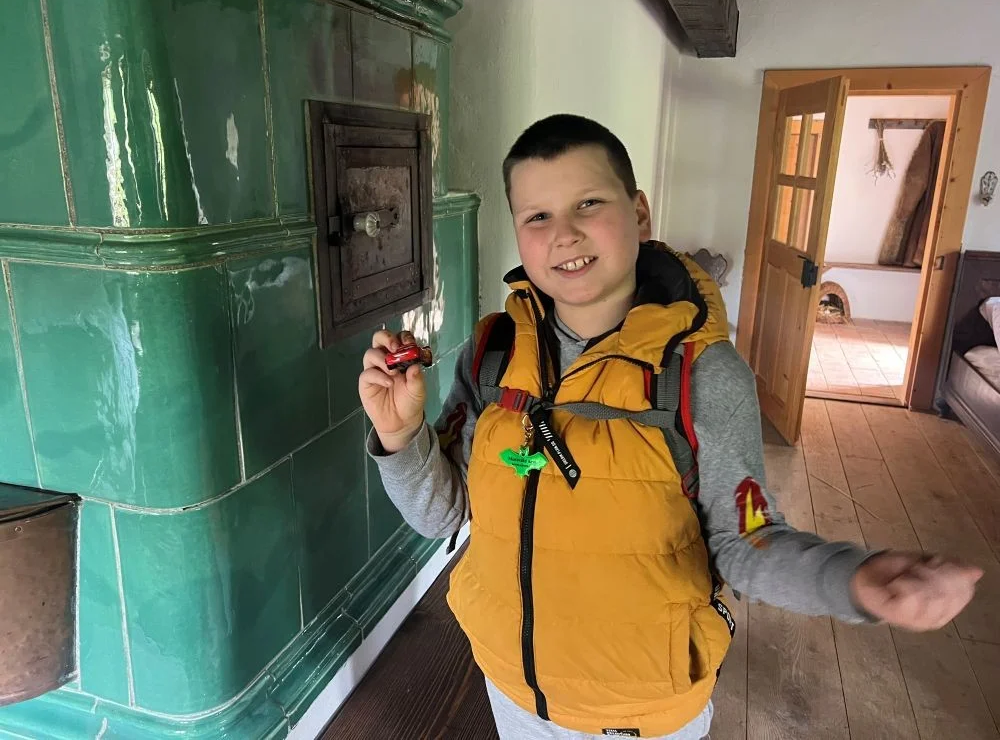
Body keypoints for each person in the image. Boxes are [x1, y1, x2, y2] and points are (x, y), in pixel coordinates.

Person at [358, 114, 982, 740]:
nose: (564, 234)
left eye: (588, 203)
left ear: (639, 214)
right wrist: (401, 435)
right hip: (511, 688)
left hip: (640, 715)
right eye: (537, 215)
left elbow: (748, 537)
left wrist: (853, 580)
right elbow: (444, 516)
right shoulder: (493, 352)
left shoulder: (704, 375)